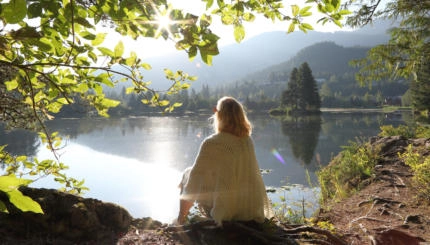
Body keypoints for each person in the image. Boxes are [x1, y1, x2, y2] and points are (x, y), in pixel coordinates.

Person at [176, 96, 273, 225]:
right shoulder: (247, 141)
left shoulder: (213, 143)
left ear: (220, 116)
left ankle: (181, 220)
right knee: (197, 174)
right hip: (249, 209)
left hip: (226, 211)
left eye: (216, 111)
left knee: (188, 174)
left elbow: (194, 181)